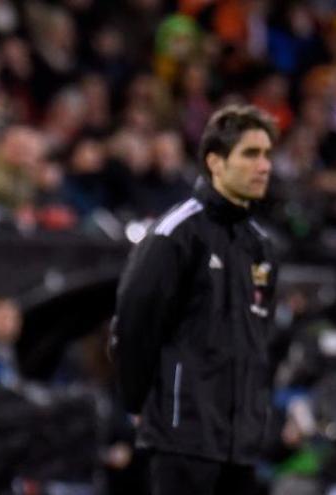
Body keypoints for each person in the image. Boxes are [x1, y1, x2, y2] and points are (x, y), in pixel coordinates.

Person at [112, 105, 279, 495]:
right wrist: (138, 404)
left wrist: (256, 418)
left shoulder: (263, 246)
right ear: (215, 162)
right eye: (251, 154)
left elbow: (260, 339)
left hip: (241, 443)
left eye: (268, 154)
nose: (265, 166)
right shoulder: (175, 234)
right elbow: (134, 325)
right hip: (182, 436)